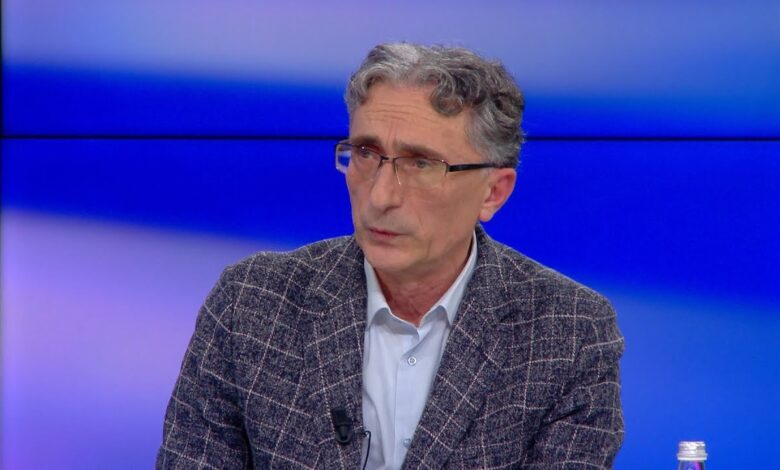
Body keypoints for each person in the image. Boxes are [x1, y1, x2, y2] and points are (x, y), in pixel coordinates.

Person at [157, 43, 624, 469]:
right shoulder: (251, 305)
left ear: (493, 192)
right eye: (366, 153)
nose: (381, 196)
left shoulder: (569, 333)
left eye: (421, 164)